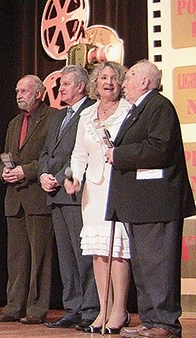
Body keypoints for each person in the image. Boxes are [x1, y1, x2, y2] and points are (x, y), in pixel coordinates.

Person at [104, 60, 195, 338]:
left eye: (129, 77)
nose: (124, 82)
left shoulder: (158, 106)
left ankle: (166, 324)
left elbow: (160, 148)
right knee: (145, 267)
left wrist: (118, 155)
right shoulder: (138, 110)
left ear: (145, 82)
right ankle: (151, 319)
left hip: (157, 202)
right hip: (141, 203)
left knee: (160, 265)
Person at [64, 61, 133, 334]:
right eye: (104, 77)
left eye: (115, 78)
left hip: (119, 188)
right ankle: (103, 308)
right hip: (92, 190)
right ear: (96, 82)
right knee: (97, 251)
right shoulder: (87, 115)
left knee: (117, 250)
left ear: (122, 83)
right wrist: (75, 177)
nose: (109, 82)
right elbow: (79, 153)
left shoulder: (129, 112)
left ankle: (120, 310)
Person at [0, 75, 55, 324]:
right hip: (14, 197)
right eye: (17, 90)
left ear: (39, 93)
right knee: (16, 257)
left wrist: (26, 171)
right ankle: (13, 306)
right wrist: (4, 172)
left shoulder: (52, 118)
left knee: (40, 256)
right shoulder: (14, 122)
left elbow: (52, 157)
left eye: (24, 91)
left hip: (37, 195)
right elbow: (6, 156)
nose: (19, 95)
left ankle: (36, 309)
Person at [39, 65, 99, 330]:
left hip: (77, 193)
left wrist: (63, 175)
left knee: (83, 256)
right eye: (60, 84)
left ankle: (90, 310)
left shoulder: (92, 111)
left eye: (65, 84)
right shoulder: (57, 116)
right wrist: (43, 175)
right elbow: (46, 152)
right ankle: (72, 308)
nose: (60, 89)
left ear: (81, 87)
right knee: (66, 258)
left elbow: (83, 152)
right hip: (55, 195)